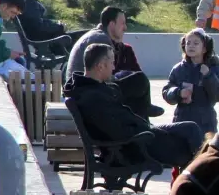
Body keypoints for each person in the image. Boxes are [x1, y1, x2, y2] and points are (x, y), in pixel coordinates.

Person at [64, 43, 204, 183]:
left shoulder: (92, 89)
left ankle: (200, 182)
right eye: (112, 63)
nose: (114, 67)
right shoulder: (93, 97)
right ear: (100, 66)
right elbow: (117, 132)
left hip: (141, 135)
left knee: (191, 129)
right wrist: (145, 130)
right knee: (189, 148)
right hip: (136, 146)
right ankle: (201, 184)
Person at [68, 6, 163, 119]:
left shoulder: (95, 35)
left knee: (130, 81)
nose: (125, 28)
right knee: (139, 80)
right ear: (112, 24)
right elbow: (105, 76)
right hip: (88, 91)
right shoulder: (102, 40)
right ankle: (144, 114)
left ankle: (143, 116)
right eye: (122, 23)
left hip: (81, 89)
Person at [162, 29, 219, 136]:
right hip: (181, 120)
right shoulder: (178, 69)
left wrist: (208, 76)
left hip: (206, 123)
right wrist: (178, 92)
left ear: (205, 48)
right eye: (188, 43)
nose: (191, 46)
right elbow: (166, 92)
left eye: (196, 43)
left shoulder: (214, 69)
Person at [19, 0, 86, 51]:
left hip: (47, 42)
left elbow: (39, 23)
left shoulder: (25, 2)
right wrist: (60, 26)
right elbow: (39, 26)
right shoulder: (29, 3)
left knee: (86, 35)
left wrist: (56, 24)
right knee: (87, 35)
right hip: (50, 44)